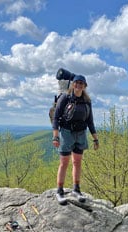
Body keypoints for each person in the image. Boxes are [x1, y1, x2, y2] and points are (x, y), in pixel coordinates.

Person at [51, 74, 99, 204]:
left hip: (81, 133)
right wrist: (55, 136)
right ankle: (59, 191)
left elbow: (90, 121)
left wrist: (95, 139)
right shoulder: (65, 98)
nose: (78, 85)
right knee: (64, 163)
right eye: (76, 82)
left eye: (81, 83)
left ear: (84, 86)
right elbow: (56, 118)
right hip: (66, 133)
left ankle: (76, 189)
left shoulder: (87, 101)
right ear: (73, 84)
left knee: (77, 162)